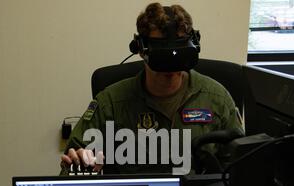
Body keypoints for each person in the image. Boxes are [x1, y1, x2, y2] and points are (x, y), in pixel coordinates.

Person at [61, 2, 243, 175]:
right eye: (162, 50)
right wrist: (80, 163)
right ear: (140, 48)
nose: (171, 60)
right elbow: (73, 165)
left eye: (178, 48)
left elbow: (240, 165)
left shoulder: (217, 99)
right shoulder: (111, 104)